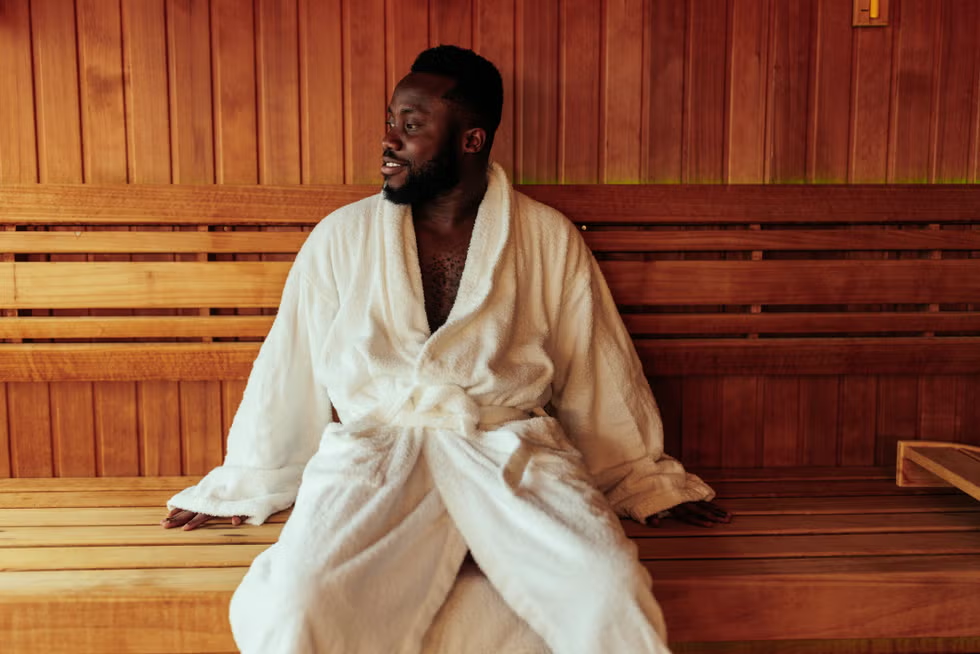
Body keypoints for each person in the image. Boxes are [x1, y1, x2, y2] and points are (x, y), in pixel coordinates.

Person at [162, 45, 728, 654]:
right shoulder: (341, 238)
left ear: (470, 139)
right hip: (379, 458)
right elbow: (289, 365)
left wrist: (640, 480)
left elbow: (597, 367)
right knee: (300, 602)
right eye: (390, 122)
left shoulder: (545, 238)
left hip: (508, 455)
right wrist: (250, 477)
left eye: (411, 125)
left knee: (606, 592)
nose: (389, 140)